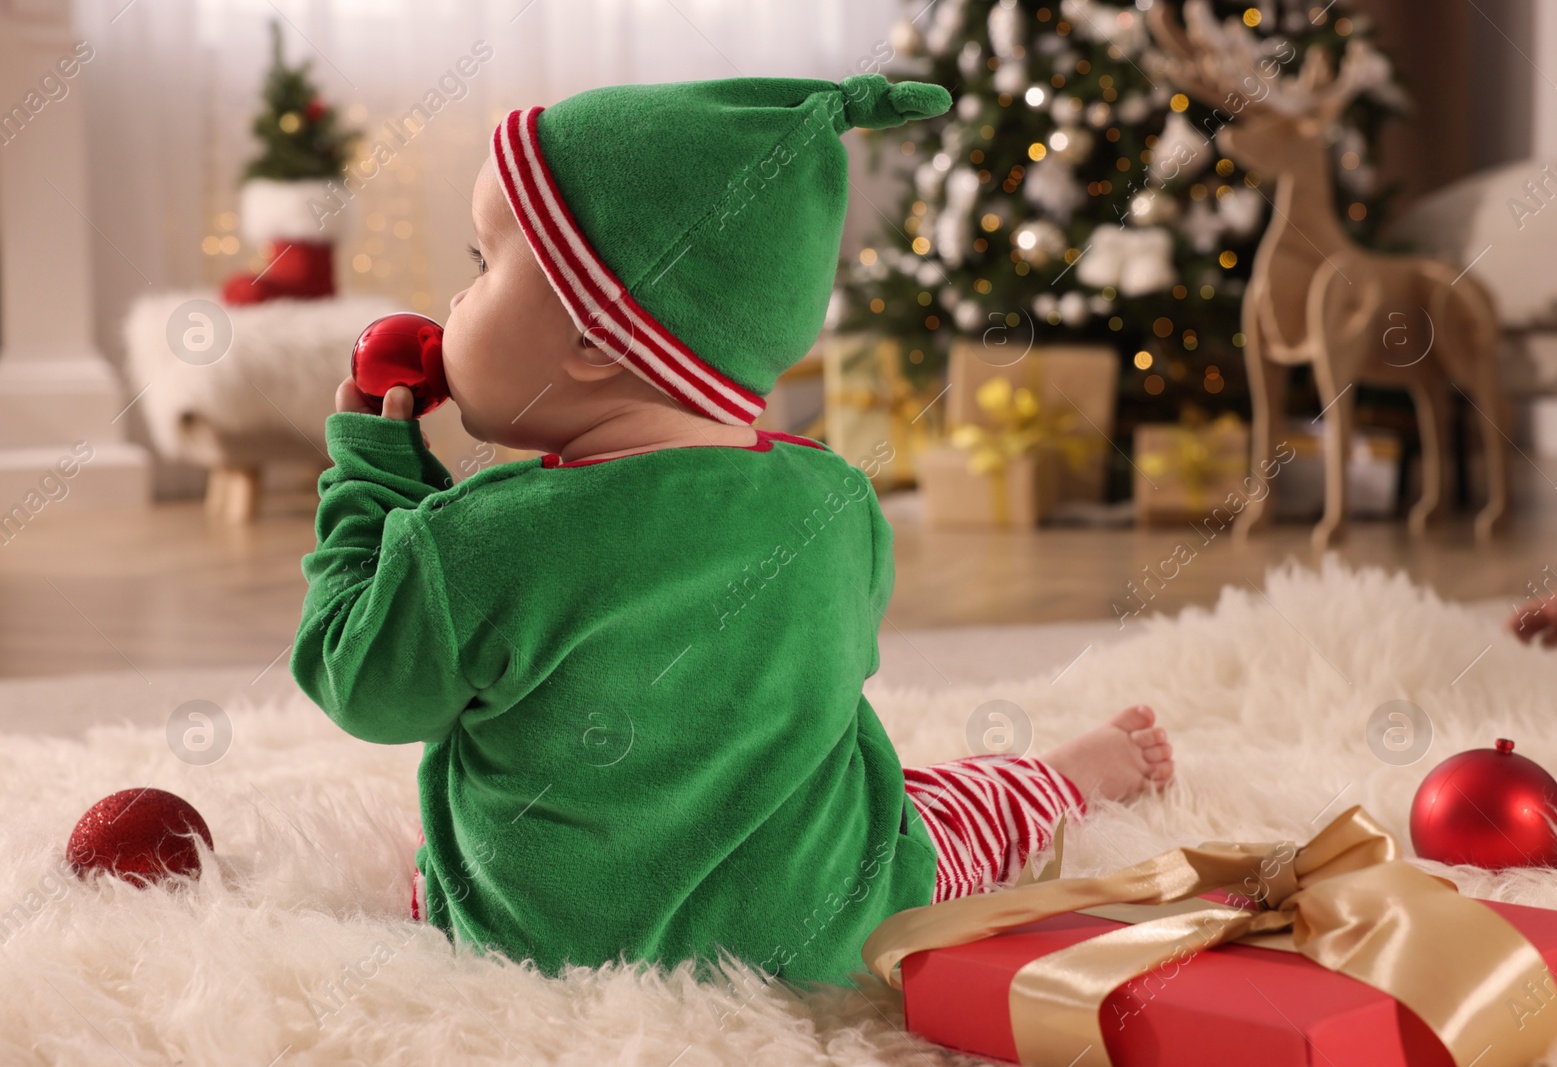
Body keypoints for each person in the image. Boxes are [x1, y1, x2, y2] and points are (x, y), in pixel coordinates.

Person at [291, 74, 1174, 987]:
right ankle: (1064, 779)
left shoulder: (474, 540)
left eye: (482, 267)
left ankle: (1058, 777)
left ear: (595, 339)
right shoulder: (838, 499)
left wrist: (372, 479)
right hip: (827, 927)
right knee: (929, 820)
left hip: (549, 949)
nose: (456, 301)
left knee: (448, 864)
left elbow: (360, 680)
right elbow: (843, 661)